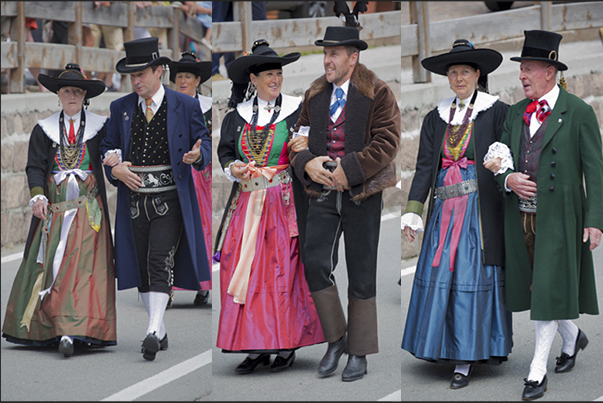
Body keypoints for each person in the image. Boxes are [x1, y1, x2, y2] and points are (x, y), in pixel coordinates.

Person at [483, 30, 602, 400]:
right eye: (522, 69)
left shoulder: (579, 112)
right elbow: (500, 157)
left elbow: (595, 171)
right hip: (519, 217)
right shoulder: (516, 112)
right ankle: (572, 338)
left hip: (561, 217)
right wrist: (509, 179)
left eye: (529, 68)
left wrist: (595, 220)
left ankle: (536, 372)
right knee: (538, 287)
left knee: (547, 287)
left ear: (550, 71)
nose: (522, 76)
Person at [290, 26, 401, 382]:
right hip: (321, 192)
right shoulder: (315, 93)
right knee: (315, 262)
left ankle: (360, 351)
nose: (327, 60)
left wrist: (348, 171)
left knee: (362, 271)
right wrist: (307, 162)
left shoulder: (378, 92)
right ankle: (337, 338)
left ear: (353, 58)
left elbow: (387, 142)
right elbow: (297, 139)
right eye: (325, 53)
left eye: (334, 54)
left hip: (361, 193)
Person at [400, 39, 513, 389]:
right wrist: (414, 213)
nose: (459, 77)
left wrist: (503, 164)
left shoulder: (497, 111)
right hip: (443, 212)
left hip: (478, 215)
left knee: (468, 276)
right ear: (447, 78)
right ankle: (440, 345)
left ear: (478, 74)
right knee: (441, 277)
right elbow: (423, 168)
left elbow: (508, 154)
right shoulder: (436, 116)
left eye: (465, 71)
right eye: (453, 72)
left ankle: (465, 357)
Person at [214, 38, 324, 374]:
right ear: (253, 80)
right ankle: (254, 344)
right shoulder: (236, 117)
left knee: (282, 272)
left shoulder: (297, 110)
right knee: (243, 271)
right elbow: (226, 153)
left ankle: (285, 343)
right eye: (268, 75)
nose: (275, 80)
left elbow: (307, 149)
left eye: (278, 73)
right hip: (247, 204)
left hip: (283, 205)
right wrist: (233, 168)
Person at [99, 36, 212, 361]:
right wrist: (116, 169)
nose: (137, 81)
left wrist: (197, 154)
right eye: (132, 76)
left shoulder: (185, 105)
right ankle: (159, 329)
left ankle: (150, 330)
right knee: (142, 269)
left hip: (170, 198)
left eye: (142, 74)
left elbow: (203, 141)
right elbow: (108, 147)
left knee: (159, 260)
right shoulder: (120, 108)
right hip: (134, 201)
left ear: (159, 71)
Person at [2, 64, 116, 357]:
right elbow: (35, 168)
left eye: (77, 91)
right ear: (58, 95)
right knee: (53, 267)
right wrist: (37, 197)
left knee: (81, 271)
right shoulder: (44, 130)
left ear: (85, 96)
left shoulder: (100, 127)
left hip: (89, 213)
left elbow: (110, 160)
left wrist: (115, 159)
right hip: (53, 213)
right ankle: (53, 328)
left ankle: (74, 331)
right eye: (66, 91)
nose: (72, 96)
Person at [167, 51, 213, 307]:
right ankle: (167, 284)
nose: (182, 81)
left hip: (199, 176)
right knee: (170, 227)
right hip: (171, 173)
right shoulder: (166, 105)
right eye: (179, 77)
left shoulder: (207, 108)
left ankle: (202, 283)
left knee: (200, 227)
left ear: (197, 80)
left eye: (188, 77)